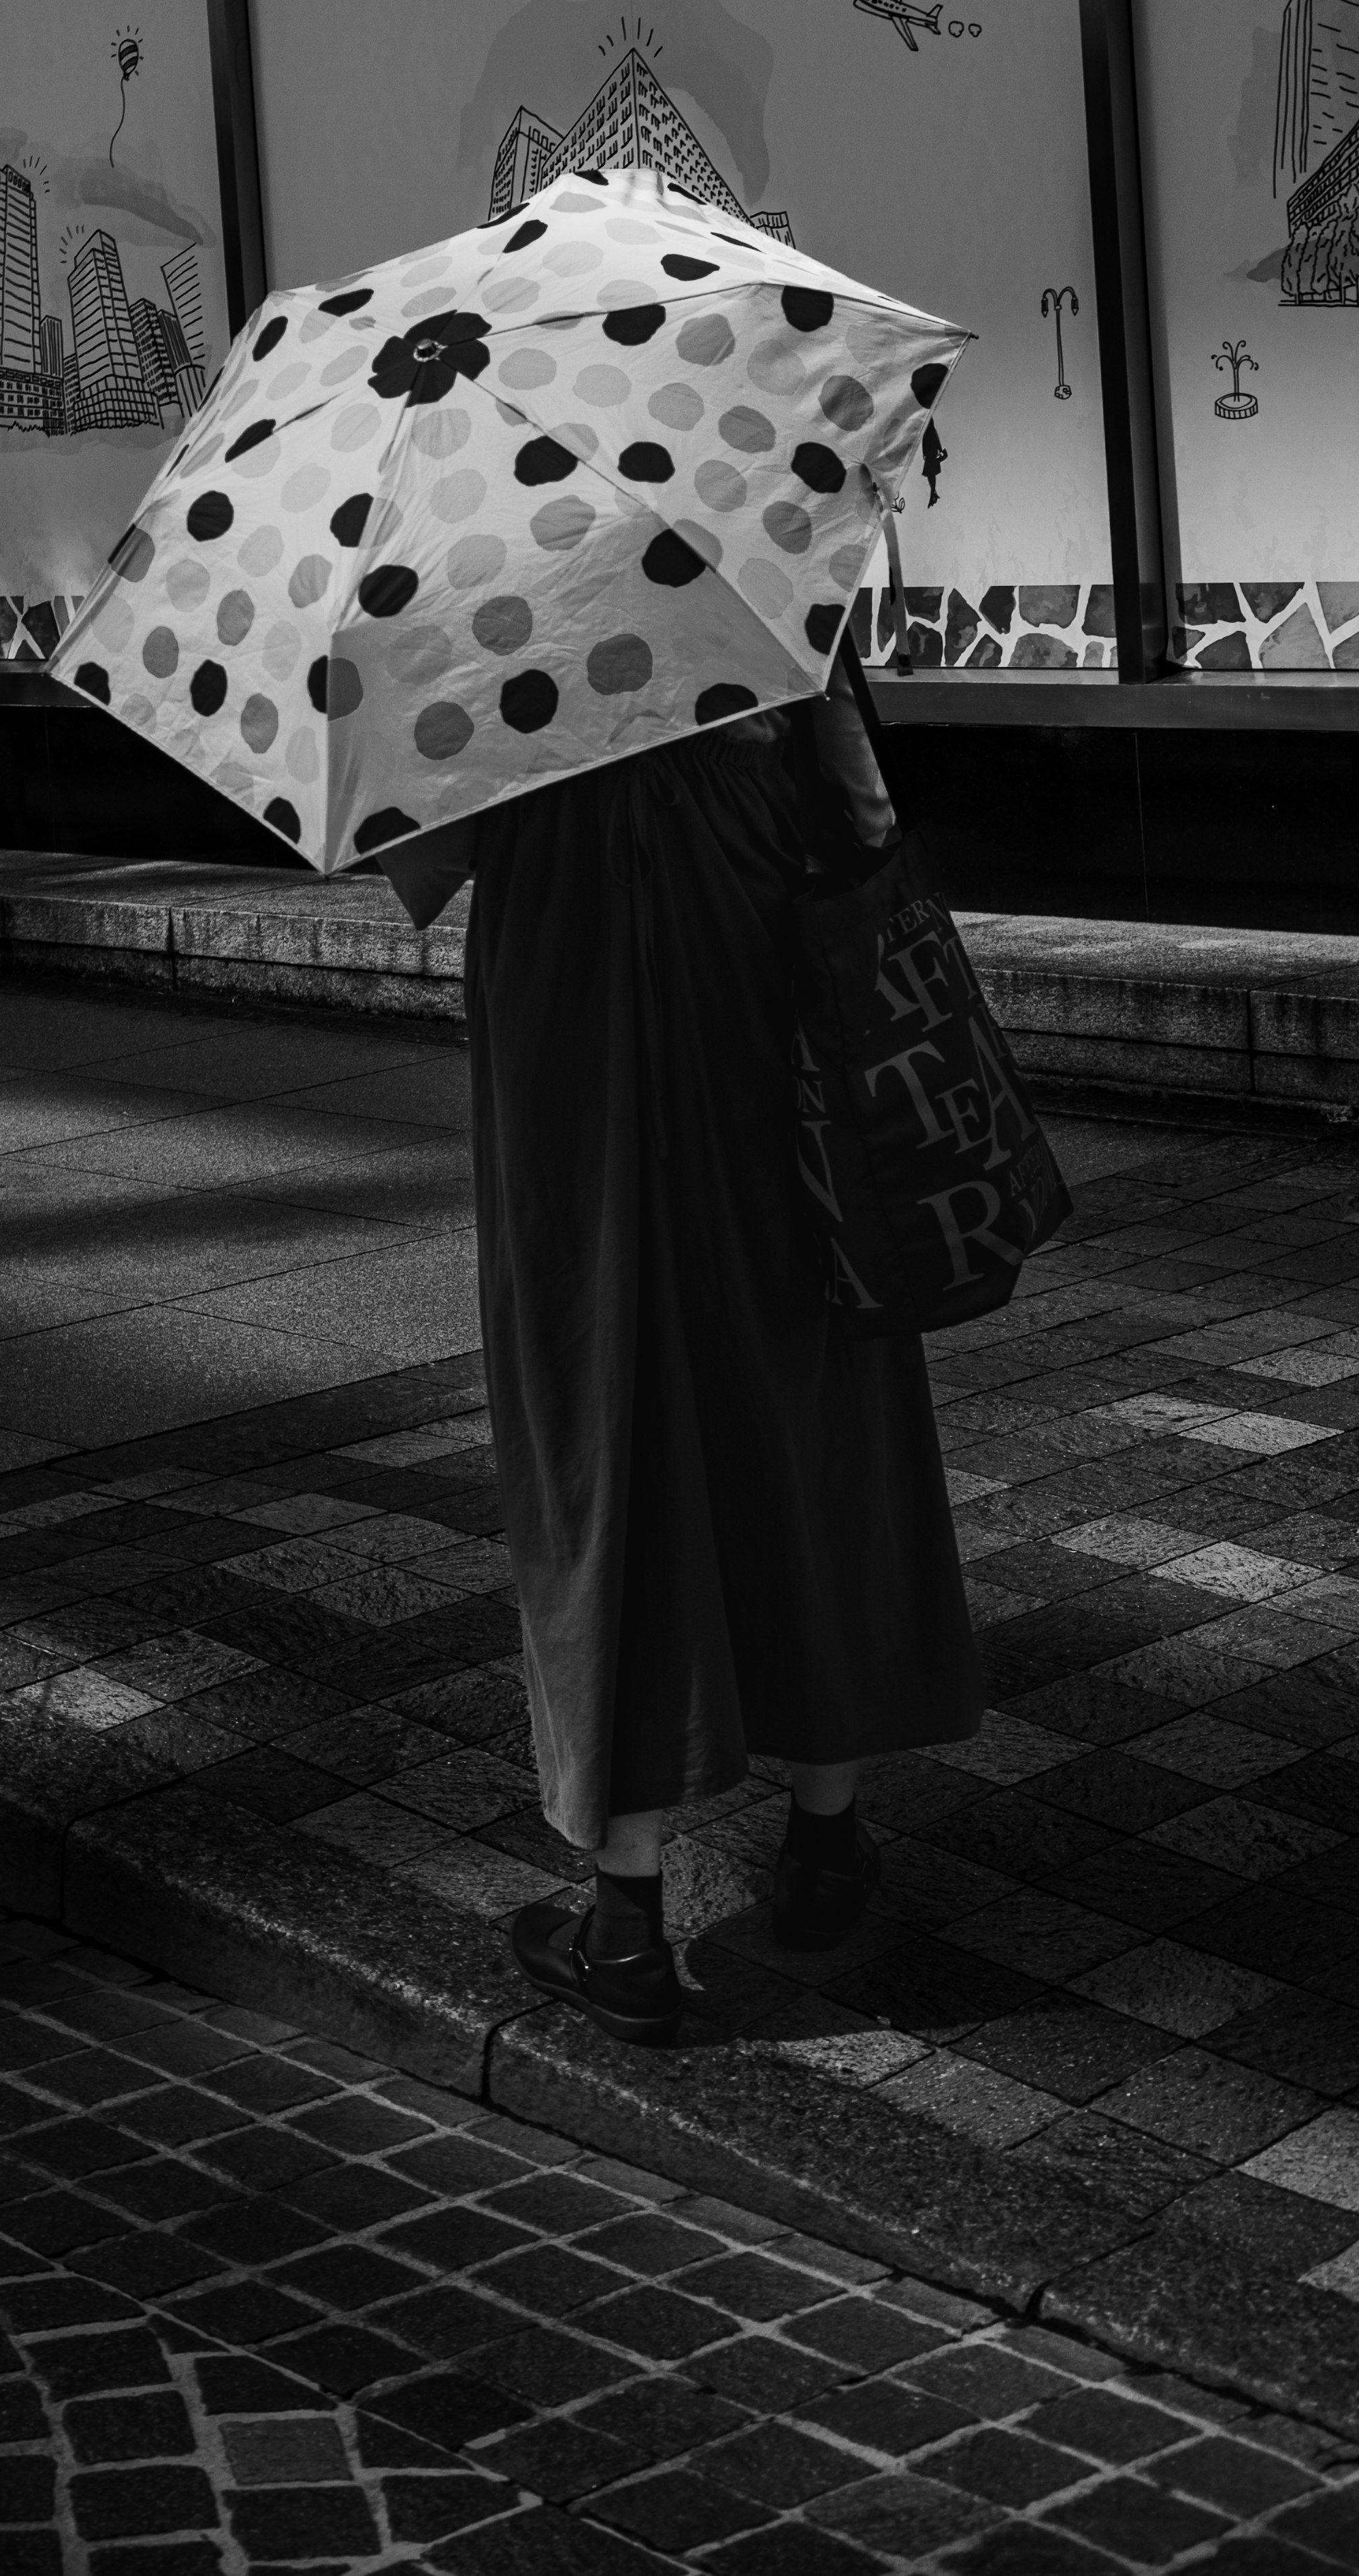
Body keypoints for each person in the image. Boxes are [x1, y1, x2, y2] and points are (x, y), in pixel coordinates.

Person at [383, 654, 981, 2042]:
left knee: (605, 1398)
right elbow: (867, 813)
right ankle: (827, 1843)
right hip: (761, 965)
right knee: (810, 1381)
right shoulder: (752, 559)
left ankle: (627, 1919)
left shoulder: (465, 606)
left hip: (567, 987)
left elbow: (416, 860)